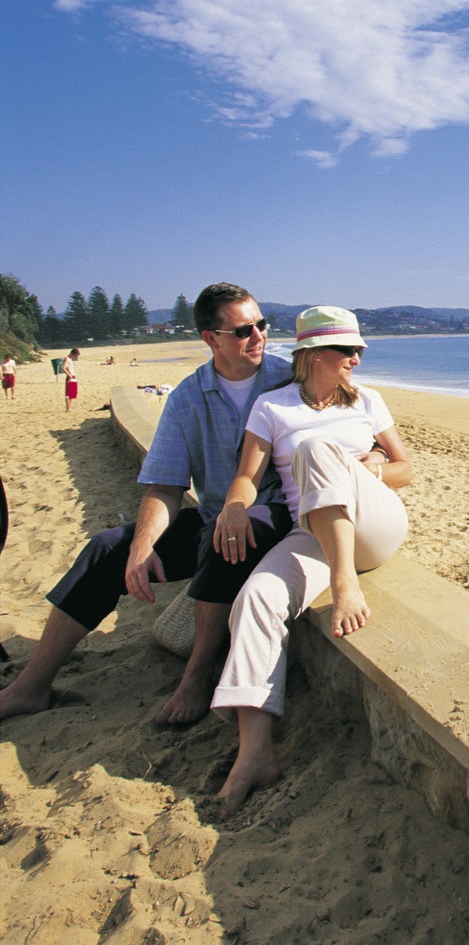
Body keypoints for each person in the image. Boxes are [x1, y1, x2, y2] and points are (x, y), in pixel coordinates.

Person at [0, 283, 307, 727]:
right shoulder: (186, 398)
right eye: (243, 330)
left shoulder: (288, 381)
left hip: (275, 518)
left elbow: (353, 425)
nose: (258, 335)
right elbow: (165, 486)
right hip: (214, 516)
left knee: (229, 534)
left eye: (262, 324)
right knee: (109, 548)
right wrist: (141, 548)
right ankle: (30, 686)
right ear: (211, 338)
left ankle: (197, 677)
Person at [211, 306, 411, 817]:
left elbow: (406, 468)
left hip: (374, 524)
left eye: (359, 350)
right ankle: (255, 752)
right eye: (348, 350)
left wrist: (373, 468)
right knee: (256, 598)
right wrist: (234, 508)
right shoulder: (272, 408)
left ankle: (346, 585)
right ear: (315, 353)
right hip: (315, 533)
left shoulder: (368, 401)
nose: (357, 359)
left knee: (320, 452)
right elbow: (247, 476)